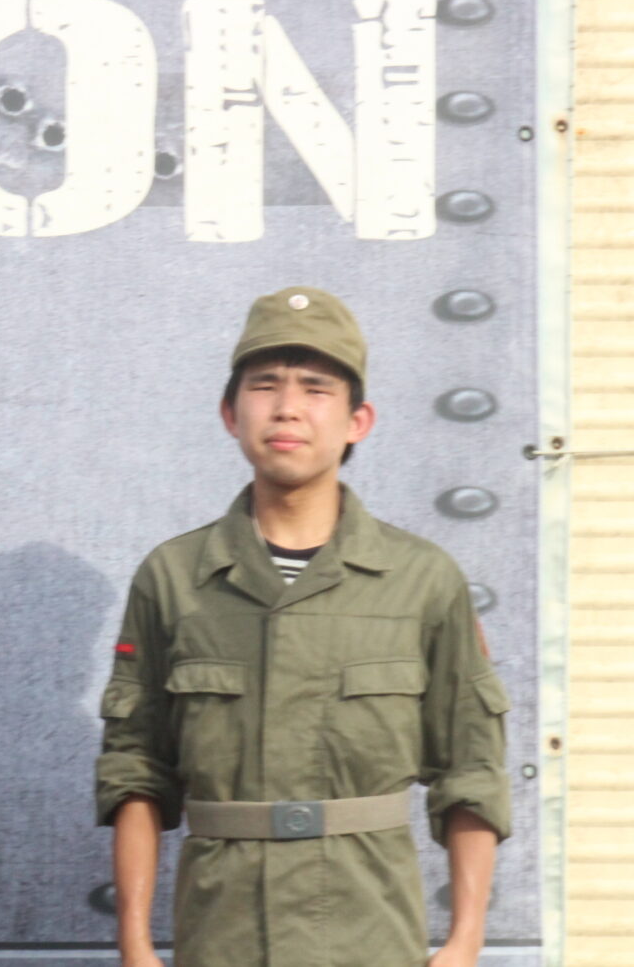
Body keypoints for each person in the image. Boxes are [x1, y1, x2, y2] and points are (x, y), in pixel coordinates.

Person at [95, 286, 511, 967]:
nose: (287, 406)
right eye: (265, 385)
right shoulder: (174, 578)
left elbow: (472, 769)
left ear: (358, 420)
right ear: (230, 413)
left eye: (317, 389)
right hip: (223, 935)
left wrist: (464, 941)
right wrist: (136, 945)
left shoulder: (422, 579)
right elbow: (135, 768)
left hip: (371, 934)